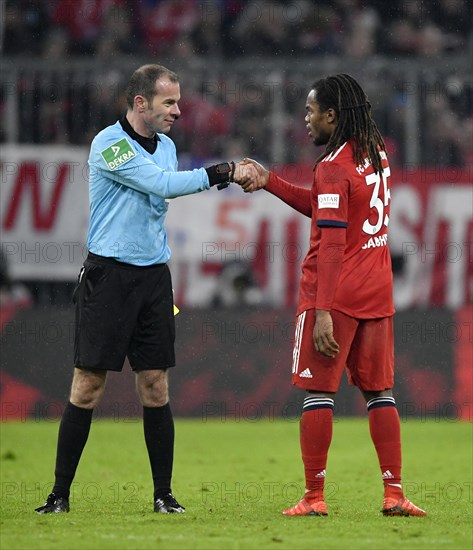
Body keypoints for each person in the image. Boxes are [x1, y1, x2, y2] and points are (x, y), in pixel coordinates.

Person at [35, 64, 252, 515]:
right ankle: (59, 496)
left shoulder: (168, 146)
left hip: (154, 279)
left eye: (177, 101)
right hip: (107, 278)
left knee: (155, 385)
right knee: (88, 385)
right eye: (169, 102)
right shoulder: (108, 144)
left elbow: (160, 193)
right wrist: (225, 170)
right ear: (141, 104)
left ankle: (163, 494)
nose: (178, 110)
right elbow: (160, 186)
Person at [236, 74, 426, 517]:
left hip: (335, 294)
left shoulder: (333, 166)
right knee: (380, 393)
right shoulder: (374, 154)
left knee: (318, 393)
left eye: (310, 111)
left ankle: (314, 497)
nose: (305, 120)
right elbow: (325, 207)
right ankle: (394, 493)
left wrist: (322, 312)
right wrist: (270, 182)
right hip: (377, 293)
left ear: (332, 115)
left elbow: (334, 242)